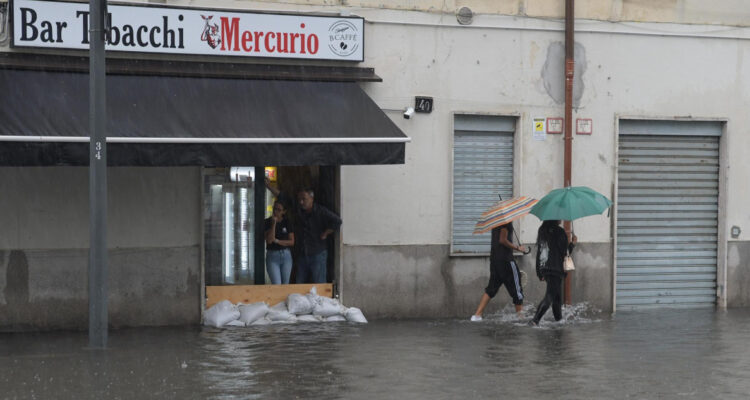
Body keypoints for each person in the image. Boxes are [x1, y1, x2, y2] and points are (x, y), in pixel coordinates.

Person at [265, 179, 342, 284]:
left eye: (304, 199)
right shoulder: (299, 210)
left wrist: (326, 233)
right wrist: (269, 187)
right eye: (299, 199)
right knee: (299, 284)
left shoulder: (320, 211)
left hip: (317, 253)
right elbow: (284, 197)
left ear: (311, 198)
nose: (301, 202)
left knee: (318, 283)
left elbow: (337, 221)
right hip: (302, 253)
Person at [470, 222, 527, 321]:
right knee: (517, 291)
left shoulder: (496, 222)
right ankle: (521, 318)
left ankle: (477, 315)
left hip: (495, 260)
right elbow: (503, 240)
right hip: (506, 261)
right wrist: (518, 248)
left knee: (491, 288)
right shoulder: (506, 222)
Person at [530, 220, 577, 325]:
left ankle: (558, 320)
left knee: (557, 297)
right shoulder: (560, 231)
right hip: (556, 269)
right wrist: (573, 244)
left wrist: (539, 272)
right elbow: (566, 252)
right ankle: (535, 320)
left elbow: (539, 252)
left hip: (545, 268)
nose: (560, 219)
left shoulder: (542, 230)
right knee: (550, 296)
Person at [264, 200, 295, 284]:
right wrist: (273, 224)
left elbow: (292, 241)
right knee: (276, 284)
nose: (275, 211)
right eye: (274, 209)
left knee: (285, 284)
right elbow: (270, 240)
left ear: (283, 212)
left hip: (286, 255)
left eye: (279, 210)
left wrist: (277, 241)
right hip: (272, 255)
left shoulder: (287, 222)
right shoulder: (267, 222)